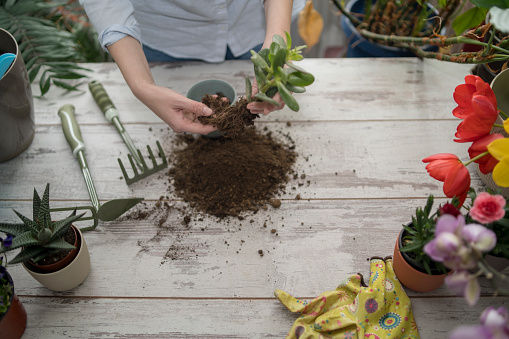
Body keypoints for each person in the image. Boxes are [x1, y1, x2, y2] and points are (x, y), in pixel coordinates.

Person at [80, 0, 305, 134]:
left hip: (255, 21)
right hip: (164, 33)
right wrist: (142, 84)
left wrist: (276, 46)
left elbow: (275, 51)